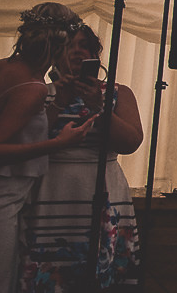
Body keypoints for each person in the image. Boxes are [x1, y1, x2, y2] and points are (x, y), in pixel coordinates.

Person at [0, 4, 95, 293]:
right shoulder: (33, 86)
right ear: (59, 45)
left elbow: (15, 128)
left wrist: (60, 102)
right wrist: (58, 143)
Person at [18, 22, 145, 292]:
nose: (77, 52)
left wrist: (100, 109)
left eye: (83, 46)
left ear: (95, 54)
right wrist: (61, 100)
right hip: (52, 189)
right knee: (52, 266)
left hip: (103, 187)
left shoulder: (116, 92)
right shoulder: (41, 91)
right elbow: (29, 140)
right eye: (69, 46)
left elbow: (131, 142)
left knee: (101, 269)